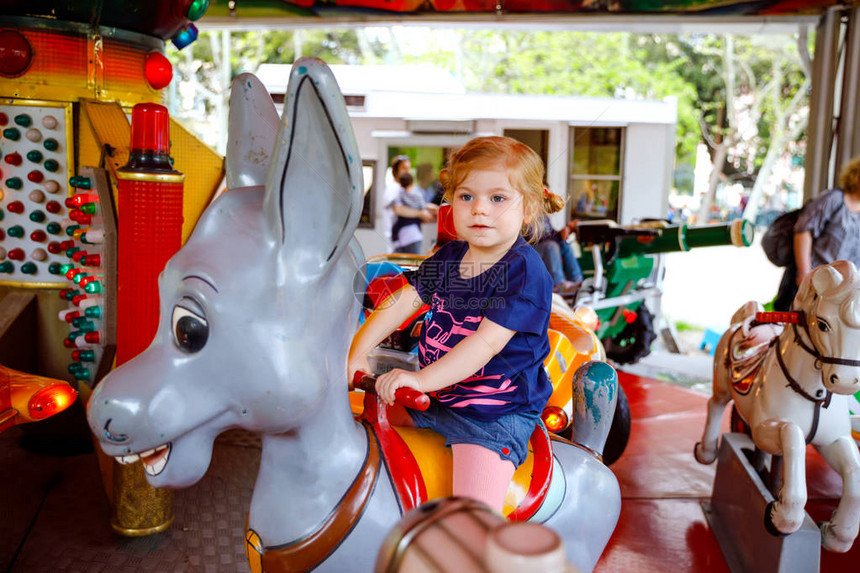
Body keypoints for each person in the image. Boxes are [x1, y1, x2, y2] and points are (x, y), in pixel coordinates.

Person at [348, 136, 563, 512]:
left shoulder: (524, 272)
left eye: (498, 198)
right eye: (466, 197)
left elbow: (484, 345)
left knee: (470, 519)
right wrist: (357, 353)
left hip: (492, 414)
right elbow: (401, 303)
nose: (480, 209)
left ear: (528, 208)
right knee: (360, 435)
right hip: (438, 398)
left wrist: (418, 379)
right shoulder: (450, 256)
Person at [774, 156, 860, 310]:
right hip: (812, 284)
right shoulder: (835, 199)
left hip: (841, 296)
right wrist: (804, 273)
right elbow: (803, 230)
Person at [390, 172, 438, 254]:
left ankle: (395, 242)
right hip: (413, 237)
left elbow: (394, 206)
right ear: (412, 183)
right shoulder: (417, 195)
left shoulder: (400, 194)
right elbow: (423, 206)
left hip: (404, 237)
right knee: (413, 263)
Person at [534, 217, 583, 294]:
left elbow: (550, 235)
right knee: (551, 246)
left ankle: (578, 281)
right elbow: (535, 239)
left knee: (564, 244)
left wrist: (563, 233)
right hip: (530, 250)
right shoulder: (528, 216)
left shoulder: (543, 216)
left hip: (545, 245)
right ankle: (559, 286)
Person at [382, 155, 413, 252]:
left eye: (409, 168)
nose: (408, 172)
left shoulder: (401, 188)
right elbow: (398, 209)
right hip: (395, 240)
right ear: (396, 171)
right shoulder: (394, 188)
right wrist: (421, 213)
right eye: (404, 168)